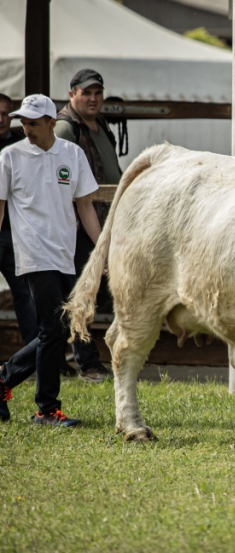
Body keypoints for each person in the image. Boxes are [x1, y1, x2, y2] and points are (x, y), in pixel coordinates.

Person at [0, 95, 101, 425]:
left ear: (50, 123)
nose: (26, 128)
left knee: (57, 330)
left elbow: (85, 205)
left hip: (65, 256)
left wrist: (101, 250)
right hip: (33, 254)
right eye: (23, 122)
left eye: (33, 122)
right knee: (53, 329)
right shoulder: (9, 157)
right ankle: (46, 409)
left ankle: (4, 379)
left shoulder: (72, 154)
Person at [54, 68, 117, 383]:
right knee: (83, 293)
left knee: (100, 291)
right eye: (86, 93)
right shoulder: (65, 129)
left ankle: (74, 358)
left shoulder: (99, 124)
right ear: (72, 94)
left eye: (97, 93)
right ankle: (87, 363)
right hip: (79, 228)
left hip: (104, 221)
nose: (93, 99)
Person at [0, 94, 37, 346]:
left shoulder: (20, 146)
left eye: (5, 114)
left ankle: (37, 356)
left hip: (14, 233)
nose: (1, 119)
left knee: (25, 294)